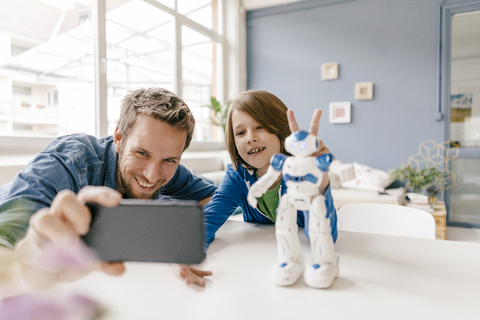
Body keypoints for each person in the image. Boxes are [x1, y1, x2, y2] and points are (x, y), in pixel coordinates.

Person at [0, 87, 216, 297]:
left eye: (169, 160)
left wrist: (171, 237)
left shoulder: (168, 170)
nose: (152, 175)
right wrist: (27, 264)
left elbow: (216, 199)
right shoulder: (67, 162)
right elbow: (6, 244)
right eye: (142, 153)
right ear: (119, 139)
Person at [173, 90, 337, 286]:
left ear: (280, 130)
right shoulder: (236, 175)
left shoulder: (298, 175)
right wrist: (185, 252)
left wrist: (320, 182)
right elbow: (208, 220)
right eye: (240, 133)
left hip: (301, 258)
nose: (250, 138)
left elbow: (326, 235)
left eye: (259, 127)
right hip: (256, 266)